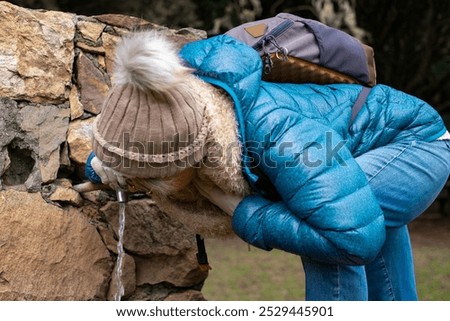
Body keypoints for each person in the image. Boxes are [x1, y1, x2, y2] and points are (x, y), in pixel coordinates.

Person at [85, 30, 450, 300]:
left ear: (189, 155)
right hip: (349, 157)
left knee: (331, 237)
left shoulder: (276, 134)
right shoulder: (186, 106)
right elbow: (135, 144)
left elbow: (350, 238)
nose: (149, 187)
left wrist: (244, 211)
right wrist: (102, 166)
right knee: (355, 228)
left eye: (154, 180)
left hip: (414, 142)